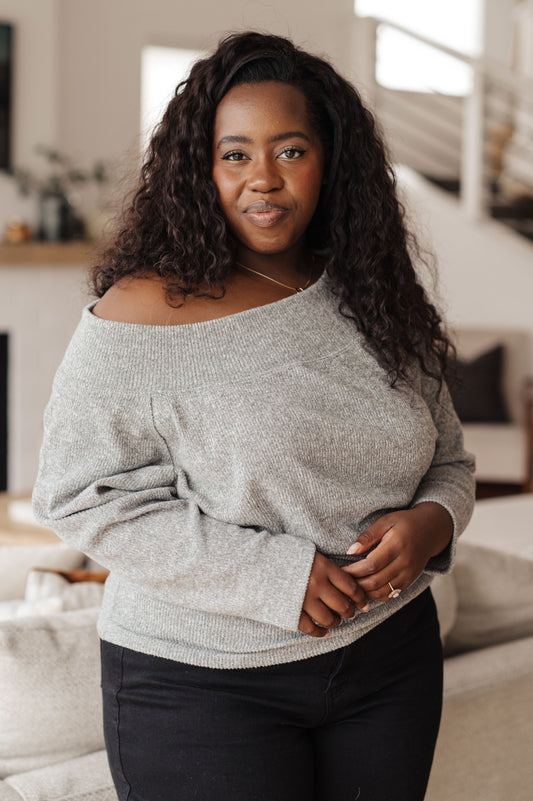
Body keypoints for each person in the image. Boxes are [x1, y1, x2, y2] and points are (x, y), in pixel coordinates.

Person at [33, 31, 475, 801]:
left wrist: (432, 521)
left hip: (387, 660)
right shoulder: (143, 312)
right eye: (234, 154)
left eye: (290, 151)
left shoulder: (372, 292)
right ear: (199, 168)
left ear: (330, 160)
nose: (262, 180)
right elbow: (77, 494)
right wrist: (277, 575)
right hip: (200, 684)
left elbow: (449, 458)